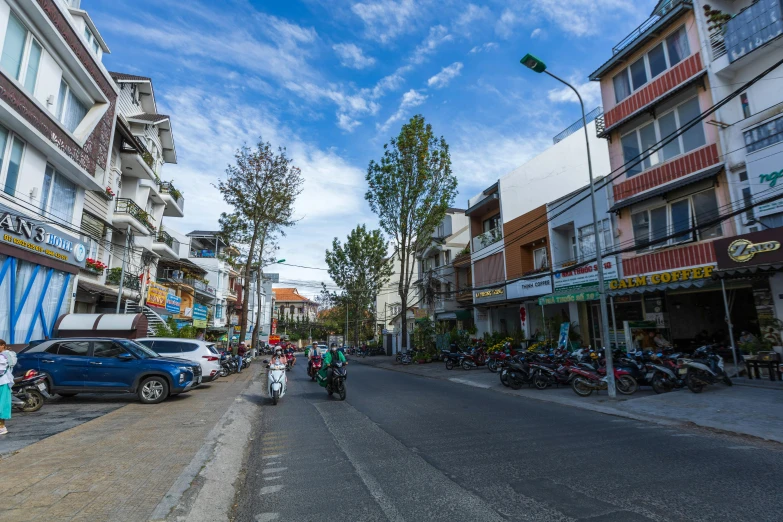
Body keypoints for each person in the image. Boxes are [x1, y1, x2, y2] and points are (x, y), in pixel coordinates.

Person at [0, 339, 13, 436]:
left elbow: (1, 370)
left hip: (3, 383)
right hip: (3, 382)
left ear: (3, 345)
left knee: (2, 405)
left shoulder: (4, 356)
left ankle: (2, 427)